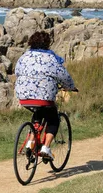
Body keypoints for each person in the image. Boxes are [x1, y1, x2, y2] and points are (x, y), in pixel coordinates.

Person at [14, 31, 77, 160]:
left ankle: (30, 143)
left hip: (24, 96)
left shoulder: (24, 56)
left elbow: (17, 71)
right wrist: (70, 87)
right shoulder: (51, 58)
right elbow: (63, 76)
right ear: (48, 44)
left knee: (38, 115)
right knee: (53, 118)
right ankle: (46, 148)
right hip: (44, 98)